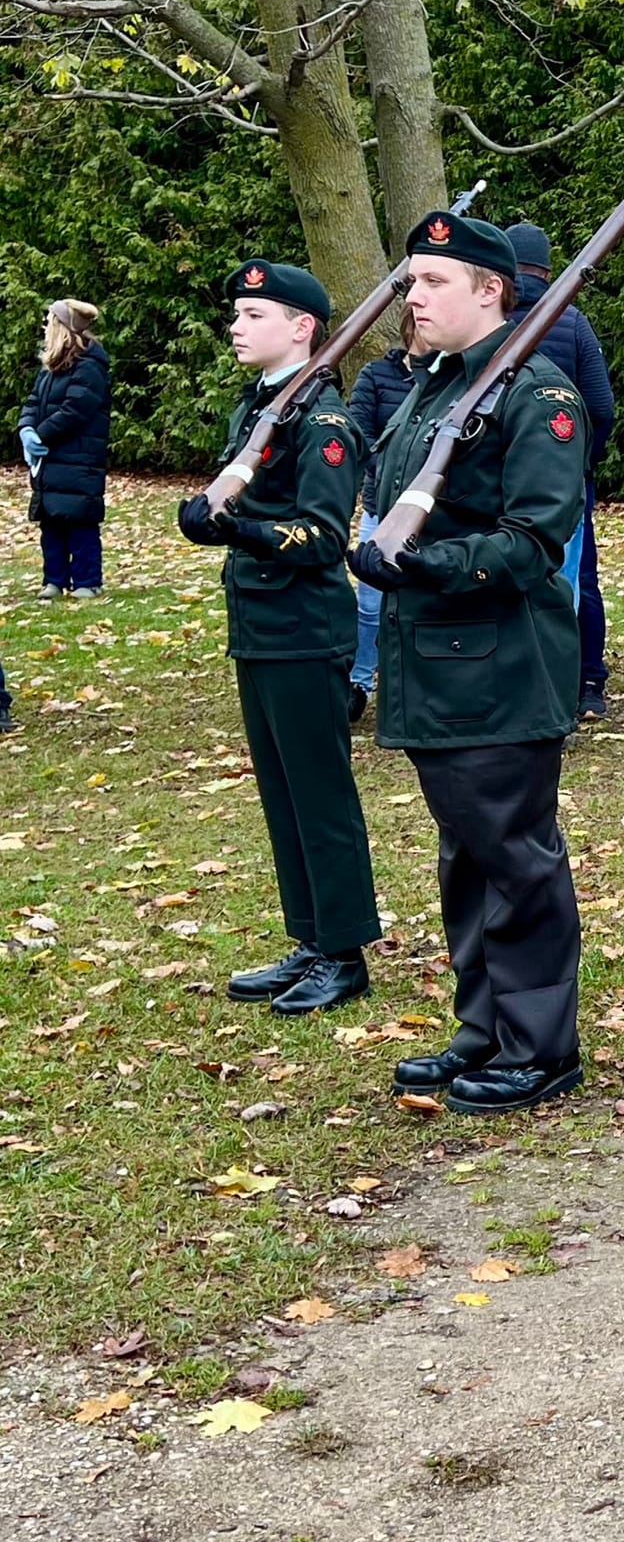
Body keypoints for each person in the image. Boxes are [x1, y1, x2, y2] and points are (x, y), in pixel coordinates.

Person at [350, 212, 589, 1114]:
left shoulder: (537, 394)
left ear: (491, 290)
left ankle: (540, 1047)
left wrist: (422, 563)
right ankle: (484, 1027)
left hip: (499, 664)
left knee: (515, 858)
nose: (411, 296)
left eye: (431, 282)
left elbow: (535, 538)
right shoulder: (429, 388)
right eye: (412, 281)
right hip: (438, 665)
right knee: (467, 856)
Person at [175, 261, 378, 1015]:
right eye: (238, 313)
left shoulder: (322, 420)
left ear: (303, 328)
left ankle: (346, 950)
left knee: (319, 795)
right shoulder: (259, 406)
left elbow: (323, 537)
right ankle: (310, 936)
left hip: (303, 628)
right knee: (281, 793)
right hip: (259, 625)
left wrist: (241, 528)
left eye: (255, 315)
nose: (237, 325)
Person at [506, 223, 616, 722]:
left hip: (502, 480)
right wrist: (583, 463)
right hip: (569, 480)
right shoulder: (571, 322)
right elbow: (601, 406)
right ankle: (586, 681)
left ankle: (527, 689)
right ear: (549, 270)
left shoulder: (488, 320)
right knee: (576, 579)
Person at [344, 310, 418, 723]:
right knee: (370, 601)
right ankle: (359, 681)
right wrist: (389, 470)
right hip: (381, 503)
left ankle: (408, 683)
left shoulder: (452, 378)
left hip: (430, 513)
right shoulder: (376, 376)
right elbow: (359, 432)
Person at [19, 300, 111, 599]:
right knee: (52, 523)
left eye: (50, 320)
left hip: (79, 458)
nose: (46, 326)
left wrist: (41, 435)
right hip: (51, 461)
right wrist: (26, 429)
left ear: (63, 327)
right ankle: (54, 580)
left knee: (80, 522)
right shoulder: (50, 368)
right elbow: (33, 402)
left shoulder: (90, 367)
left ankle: (88, 582)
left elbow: (75, 410)